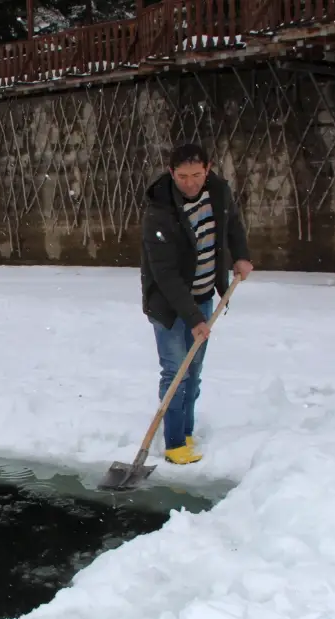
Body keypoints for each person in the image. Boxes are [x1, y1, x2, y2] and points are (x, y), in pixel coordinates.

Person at [139, 142, 254, 465]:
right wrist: (193, 318)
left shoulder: (218, 192)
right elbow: (165, 275)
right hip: (169, 305)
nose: (190, 183)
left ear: (208, 168)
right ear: (171, 172)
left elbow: (232, 224)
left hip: (203, 297)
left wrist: (241, 256)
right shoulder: (159, 211)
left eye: (197, 175)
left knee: (195, 371)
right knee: (176, 371)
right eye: (182, 176)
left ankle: (186, 432)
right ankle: (175, 444)